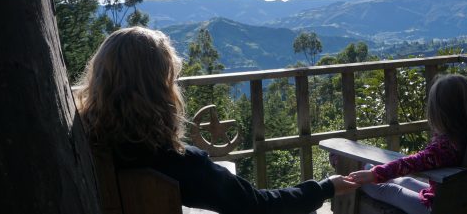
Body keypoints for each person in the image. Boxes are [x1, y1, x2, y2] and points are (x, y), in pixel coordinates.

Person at [75, 27, 358, 214]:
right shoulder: (178, 164)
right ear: (161, 89)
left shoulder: (81, 144)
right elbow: (256, 206)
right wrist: (325, 188)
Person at [347, 74, 467, 214]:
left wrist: (374, 174)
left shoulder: (444, 148)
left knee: (393, 191)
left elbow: (412, 163)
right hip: (459, 197)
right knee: (405, 181)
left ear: (438, 113)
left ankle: (353, 177)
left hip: (438, 207)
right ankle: (365, 168)